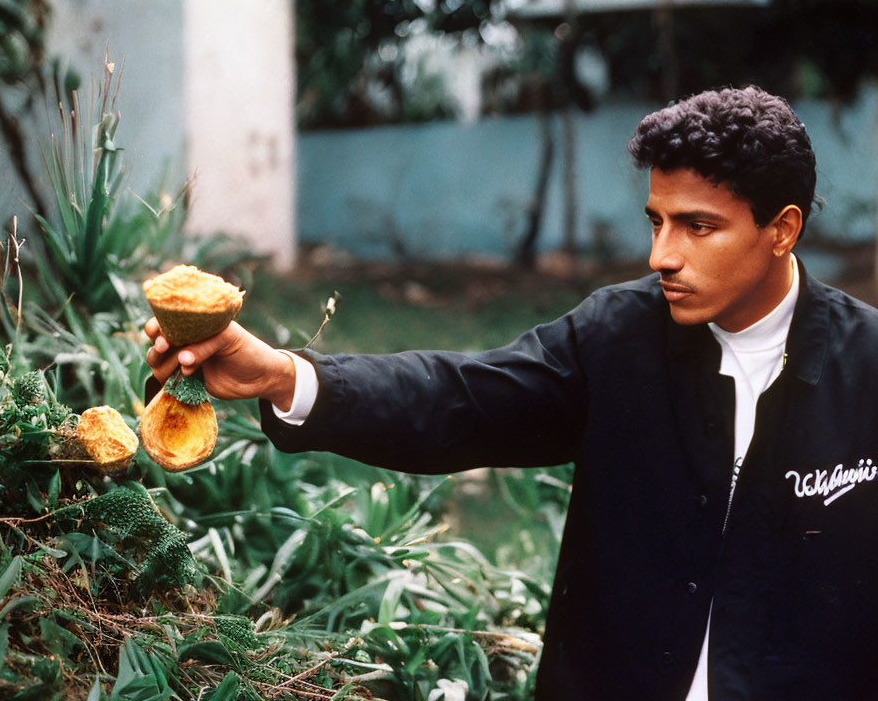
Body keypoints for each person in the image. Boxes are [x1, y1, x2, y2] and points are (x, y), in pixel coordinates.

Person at [146, 86, 878, 700]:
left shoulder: (868, 368)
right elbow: (459, 399)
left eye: (698, 227)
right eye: (656, 222)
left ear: (782, 230)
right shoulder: (616, 338)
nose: (662, 255)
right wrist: (283, 376)